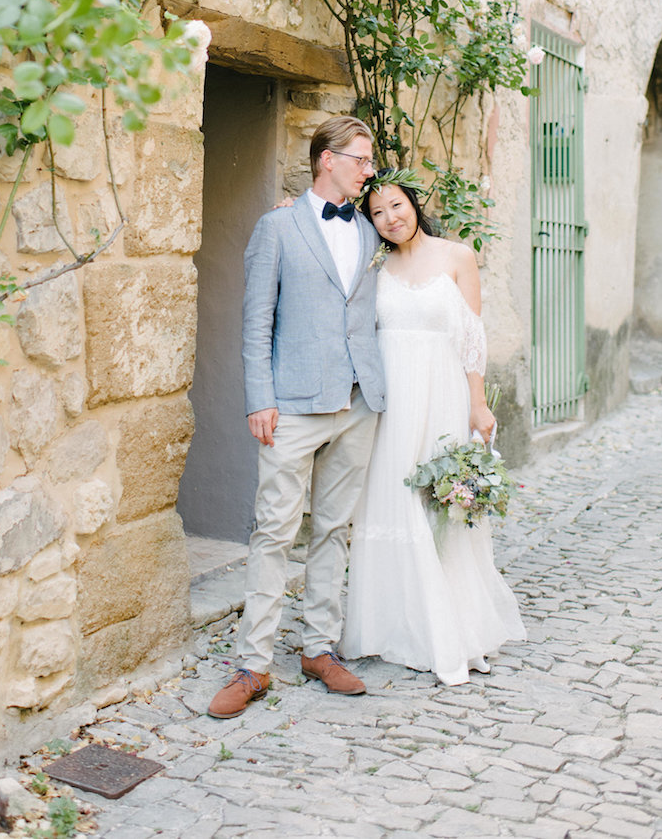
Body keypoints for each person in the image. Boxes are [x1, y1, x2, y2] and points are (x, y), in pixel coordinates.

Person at [208, 115, 387, 719]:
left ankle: (318, 648)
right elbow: (257, 318)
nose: (369, 170)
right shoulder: (277, 227)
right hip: (292, 405)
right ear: (326, 160)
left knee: (334, 528)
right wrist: (260, 398)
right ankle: (253, 664)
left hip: (359, 402)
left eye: (370, 161)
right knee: (274, 531)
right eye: (361, 159)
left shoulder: (368, 233)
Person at [341, 172, 525, 684]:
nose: (390, 218)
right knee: (391, 500)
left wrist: (478, 403)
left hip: (442, 392)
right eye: (377, 213)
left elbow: (472, 339)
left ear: (413, 204)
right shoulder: (375, 265)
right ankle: (390, 627)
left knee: (436, 504)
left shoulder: (457, 256)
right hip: (392, 400)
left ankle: (450, 626)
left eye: (396, 206)